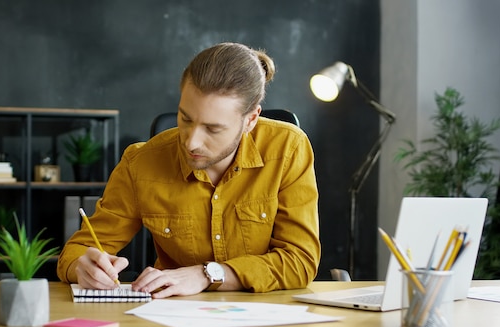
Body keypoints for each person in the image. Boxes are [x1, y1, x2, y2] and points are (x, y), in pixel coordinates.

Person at [57, 42, 320, 298]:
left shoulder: (288, 149)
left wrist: (208, 274)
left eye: (213, 128)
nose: (191, 141)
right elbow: (76, 252)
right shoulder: (140, 162)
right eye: (185, 118)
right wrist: (83, 268)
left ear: (251, 119)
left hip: (266, 315)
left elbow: (300, 261)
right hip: (170, 314)